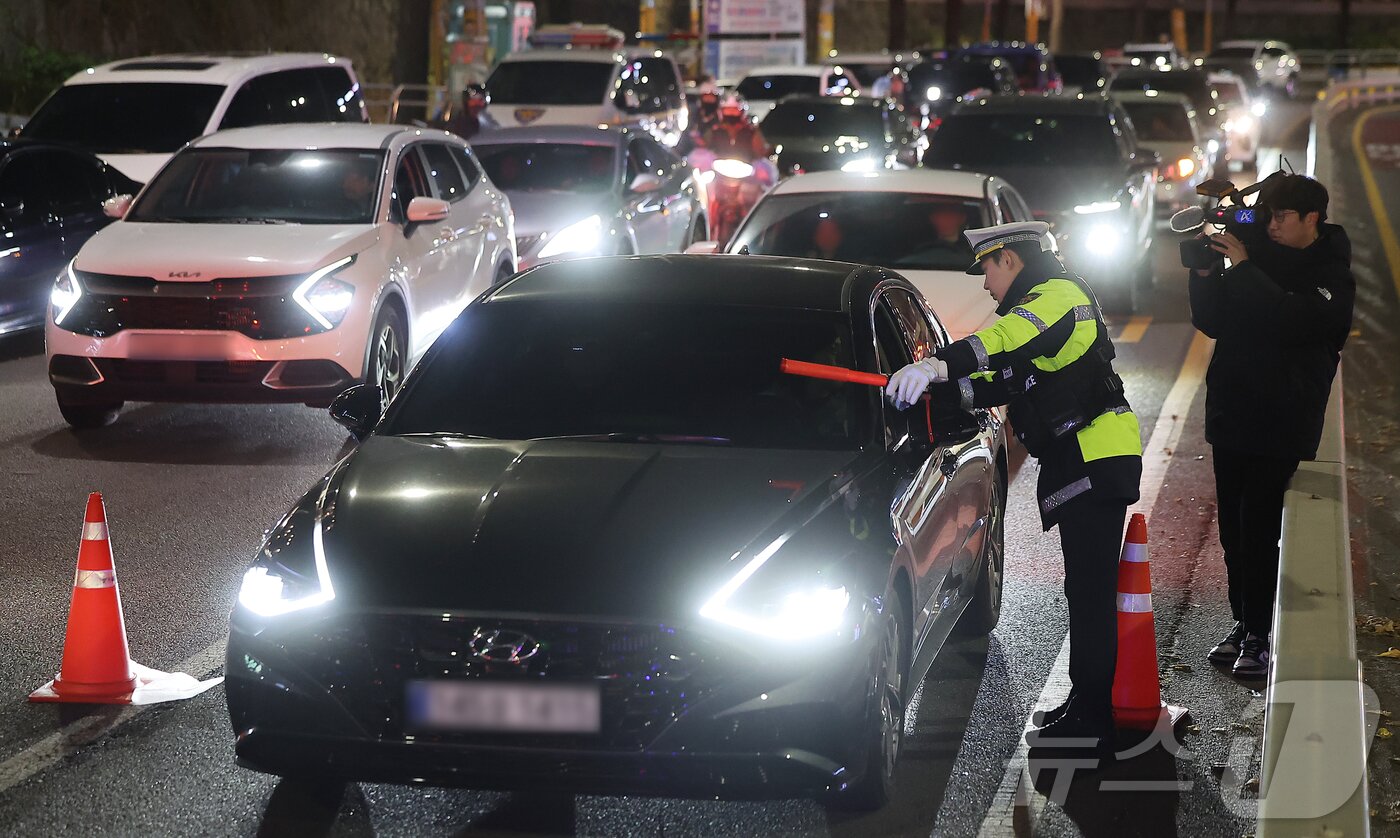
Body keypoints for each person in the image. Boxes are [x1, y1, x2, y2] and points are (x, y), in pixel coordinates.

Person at [885, 220, 1143, 760]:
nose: (984, 284)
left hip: (1094, 455)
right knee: (1084, 593)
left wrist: (938, 363)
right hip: (1084, 455)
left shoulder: (1057, 297)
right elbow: (1006, 380)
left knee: (1091, 596)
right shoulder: (1050, 297)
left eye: (985, 269)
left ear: (1009, 259)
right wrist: (944, 387)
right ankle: (1085, 705)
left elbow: (1004, 344)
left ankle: (1094, 723)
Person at [1190, 174, 1354, 679]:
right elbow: (1213, 320)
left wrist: (1241, 268)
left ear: (1312, 219)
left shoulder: (1332, 272)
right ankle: (1245, 622)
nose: (1272, 225)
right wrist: (1203, 273)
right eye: (1269, 215)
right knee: (1234, 531)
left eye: (1282, 217)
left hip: (1283, 415)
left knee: (1259, 525)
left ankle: (1260, 632)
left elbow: (1291, 319)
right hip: (1234, 408)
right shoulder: (1256, 255)